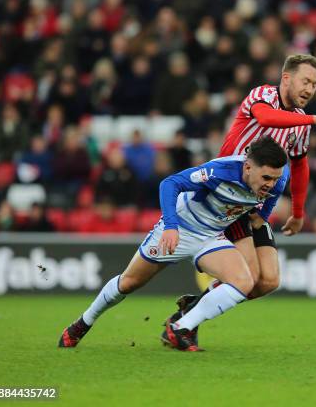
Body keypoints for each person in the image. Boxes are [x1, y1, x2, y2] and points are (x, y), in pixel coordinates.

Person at [58, 138, 289, 351]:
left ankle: (180, 328)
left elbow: (272, 197)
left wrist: (263, 216)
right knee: (129, 283)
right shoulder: (220, 172)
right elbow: (170, 184)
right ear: (248, 167)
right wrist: (170, 226)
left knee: (243, 282)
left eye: (275, 178)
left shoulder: (278, 179)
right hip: (181, 229)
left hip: (211, 236)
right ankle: (83, 322)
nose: (271, 183)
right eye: (266, 178)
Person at [163, 54, 316, 324]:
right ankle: (183, 326)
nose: (309, 89)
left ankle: (192, 307)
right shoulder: (263, 96)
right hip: (227, 198)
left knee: (268, 281)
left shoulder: (300, 121)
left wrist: (297, 211)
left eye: (315, 84)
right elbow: (267, 118)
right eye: (305, 81)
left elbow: (299, 165)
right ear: (286, 78)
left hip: (257, 206)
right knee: (246, 278)